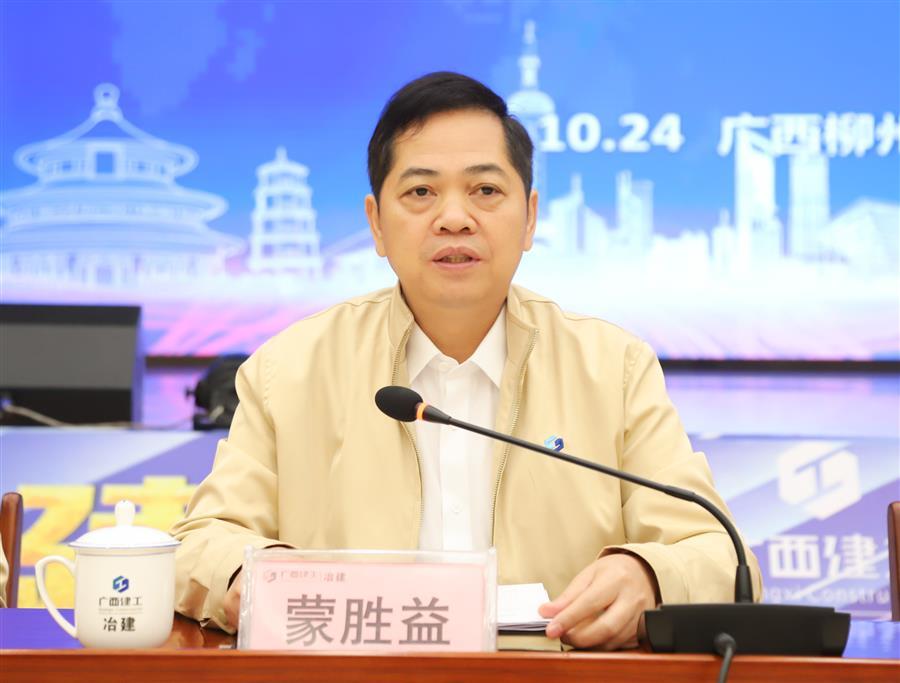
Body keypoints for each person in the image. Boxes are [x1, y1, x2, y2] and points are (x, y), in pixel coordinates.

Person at [171, 71, 761, 650]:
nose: (454, 218)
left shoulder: (613, 370)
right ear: (377, 224)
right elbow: (200, 542)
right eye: (421, 192)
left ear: (529, 217)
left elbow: (723, 557)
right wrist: (257, 577)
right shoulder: (290, 370)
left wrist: (649, 576)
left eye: (485, 190)